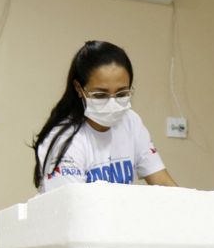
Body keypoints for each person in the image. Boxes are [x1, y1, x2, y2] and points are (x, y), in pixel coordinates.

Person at [32, 41, 177, 193]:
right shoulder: (65, 140)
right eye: (100, 95)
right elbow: (74, 208)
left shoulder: (130, 121)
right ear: (79, 88)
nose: (113, 104)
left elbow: (162, 182)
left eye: (121, 94)